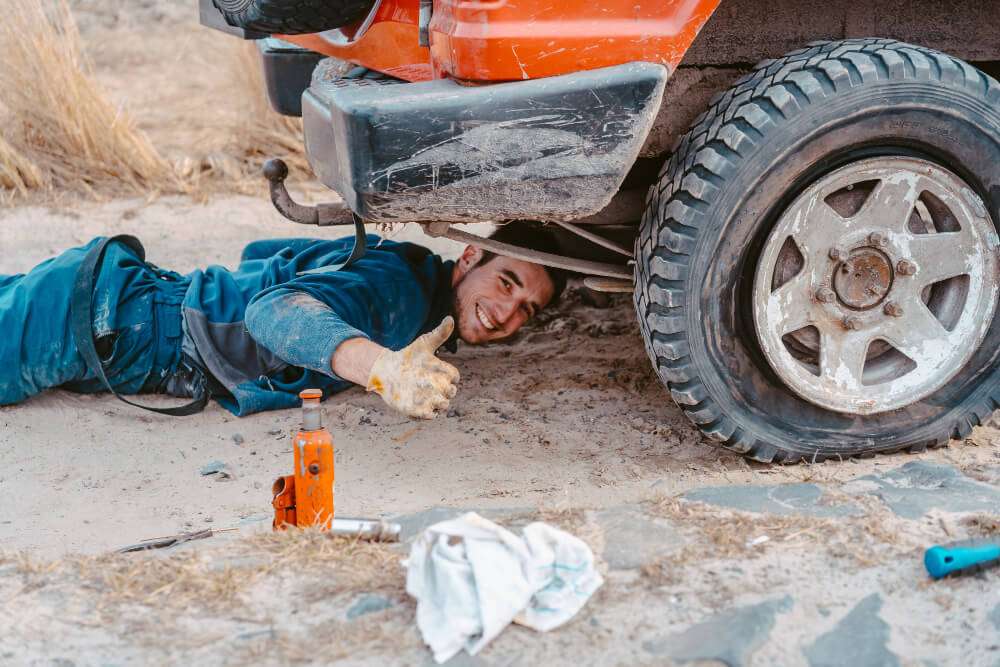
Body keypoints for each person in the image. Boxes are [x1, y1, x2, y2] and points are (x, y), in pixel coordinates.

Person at [0, 224, 566, 418]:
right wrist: (380, 369)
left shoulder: (407, 273)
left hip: (125, 302)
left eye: (527, 310)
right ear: (469, 257)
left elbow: (265, 252)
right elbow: (269, 310)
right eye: (507, 282)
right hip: (118, 323)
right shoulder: (397, 288)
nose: (507, 313)